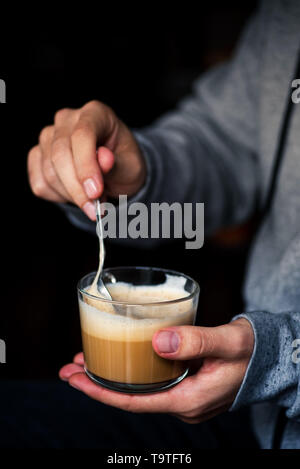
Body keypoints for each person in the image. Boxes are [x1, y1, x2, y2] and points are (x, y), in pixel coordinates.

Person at [25, 0, 300, 449]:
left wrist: (280, 362)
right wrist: (135, 178)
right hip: (255, 415)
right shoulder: (286, 16)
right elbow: (226, 142)